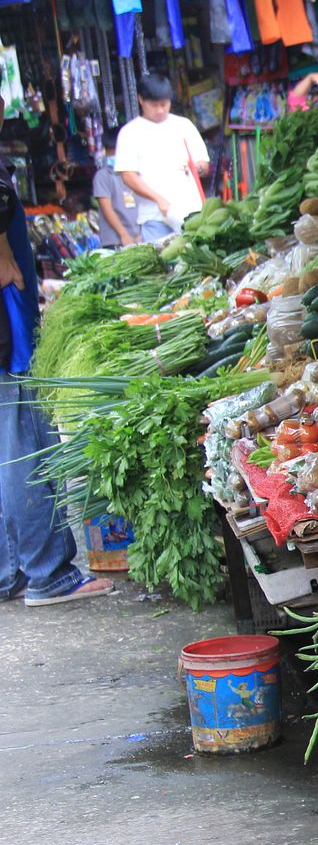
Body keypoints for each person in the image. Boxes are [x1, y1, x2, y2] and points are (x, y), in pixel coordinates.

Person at [0, 160, 113, 605]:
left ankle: (9, 572)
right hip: (8, 332)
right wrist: (6, 257)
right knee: (23, 447)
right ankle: (48, 573)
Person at [115, 74, 210, 243]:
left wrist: (197, 167)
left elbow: (204, 164)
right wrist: (159, 200)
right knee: (162, 265)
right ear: (141, 100)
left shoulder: (184, 125)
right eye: (154, 105)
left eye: (164, 104)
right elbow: (128, 175)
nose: (160, 110)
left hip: (192, 212)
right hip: (154, 217)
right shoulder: (130, 133)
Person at [91, 130, 138, 250]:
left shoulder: (136, 173)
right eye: (111, 152)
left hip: (139, 238)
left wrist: (139, 234)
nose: (114, 155)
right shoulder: (103, 176)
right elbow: (107, 209)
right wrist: (124, 234)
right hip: (116, 240)